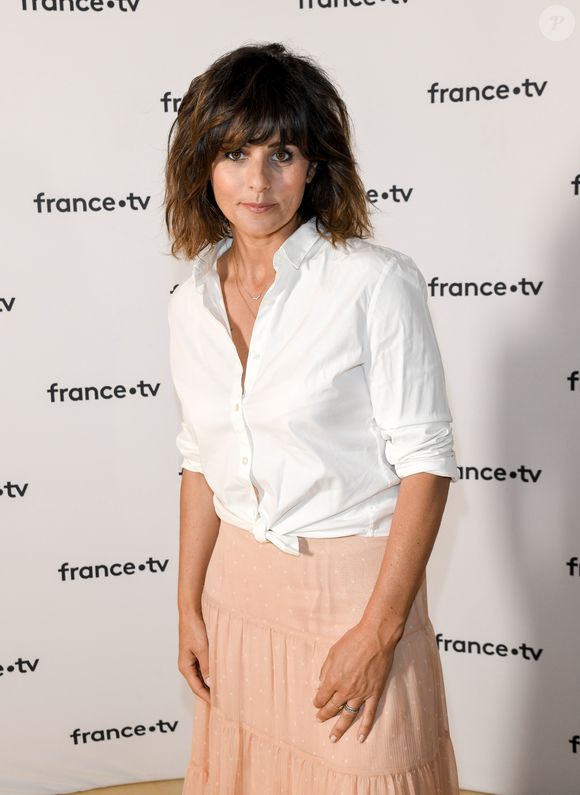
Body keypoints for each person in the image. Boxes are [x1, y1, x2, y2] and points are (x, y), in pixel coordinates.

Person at [164, 41, 461, 795]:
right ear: (203, 164)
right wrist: (187, 606)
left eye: (282, 152)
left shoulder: (372, 282)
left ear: (316, 165)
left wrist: (379, 630)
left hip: (354, 596)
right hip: (236, 595)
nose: (257, 180)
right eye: (234, 152)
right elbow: (199, 460)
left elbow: (426, 463)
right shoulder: (189, 302)